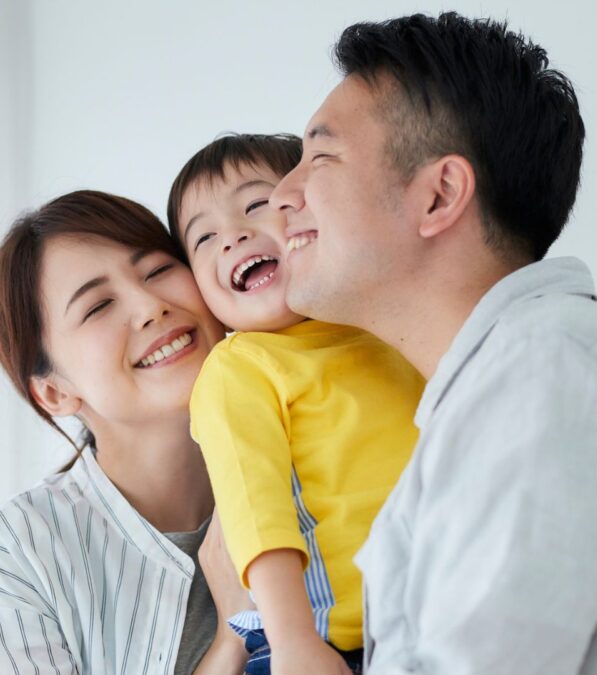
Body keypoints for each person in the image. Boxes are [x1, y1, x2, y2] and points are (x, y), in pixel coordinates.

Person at [269, 12, 597, 674]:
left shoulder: (546, 367)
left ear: (440, 195)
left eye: (319, 157)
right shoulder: (516, 377)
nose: (281, 195)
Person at [0, 191, 253, 674]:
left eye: (157, 270)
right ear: (54, 393)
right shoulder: (13, 552)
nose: (150, 306)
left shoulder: (314, 463)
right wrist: (232, 638)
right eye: (98, 306)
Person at [165, 133, 424, 674]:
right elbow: (256, 514)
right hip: (328, 647)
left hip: (433, 621)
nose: (233, 236)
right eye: (204, 237)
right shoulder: (240, 369)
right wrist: (292, 640)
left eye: (257, 204)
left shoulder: (385, 330)